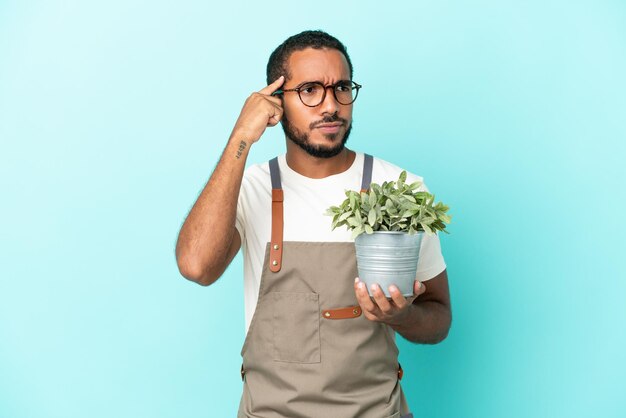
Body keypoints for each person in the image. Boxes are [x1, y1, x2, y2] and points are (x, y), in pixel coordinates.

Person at [175, 30, 451, 418]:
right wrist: (241, 137)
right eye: (309, 90)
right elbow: (196, 266)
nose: (331, 105)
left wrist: (401, 315)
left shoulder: (399, 190)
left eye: (341, 87)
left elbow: (439, 318)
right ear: (275, 101)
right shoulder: (251, 187)